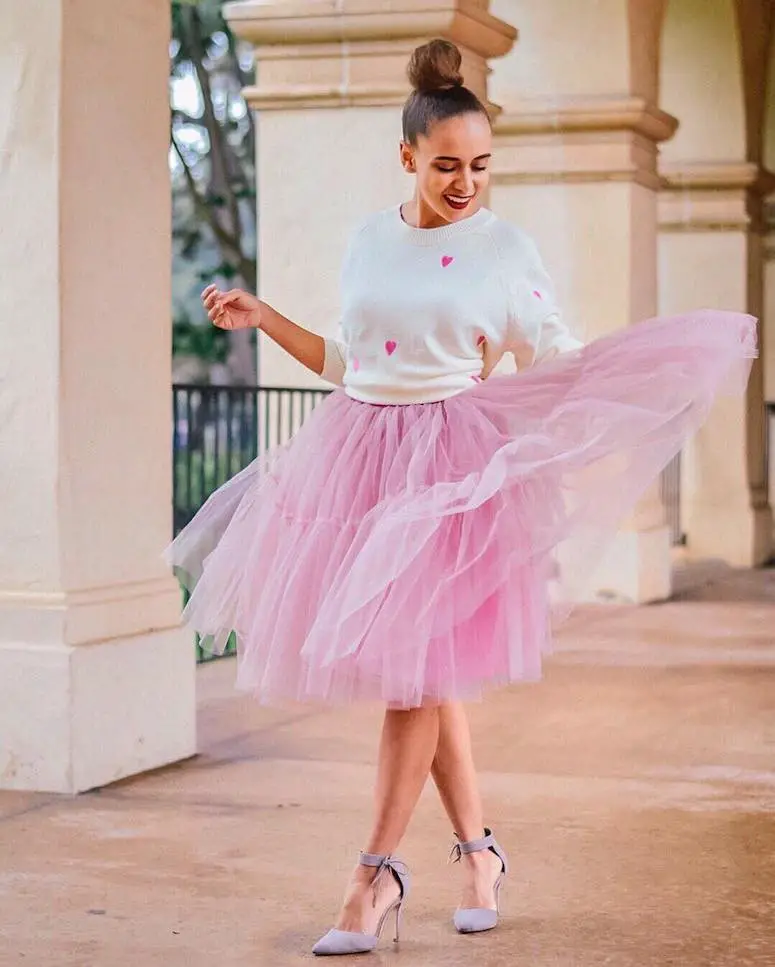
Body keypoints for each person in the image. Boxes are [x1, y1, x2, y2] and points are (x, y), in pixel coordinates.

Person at [166, 39, 757, 957]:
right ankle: (479, 854)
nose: (465, 182)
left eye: (480, 165)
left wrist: (590, 391)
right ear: (407, 157)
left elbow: (549, 350)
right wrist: (262, 315)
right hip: (359, 461)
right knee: (426, 681)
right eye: (446, 164)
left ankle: (370, 878)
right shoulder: (368, 237)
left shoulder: (503, 248)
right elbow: (348, 361)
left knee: (415, 682)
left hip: (449, 473)